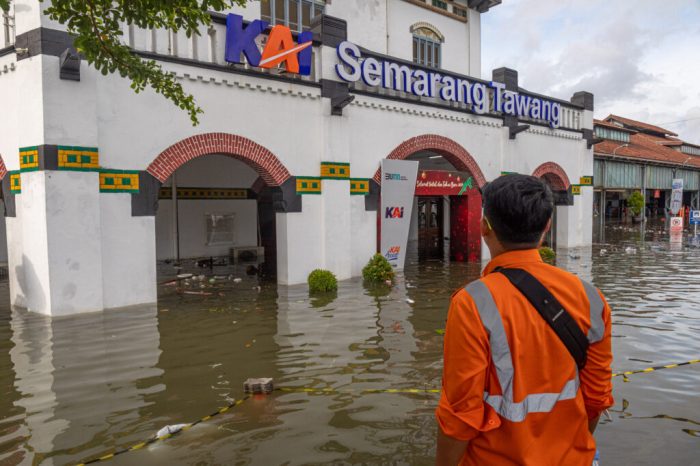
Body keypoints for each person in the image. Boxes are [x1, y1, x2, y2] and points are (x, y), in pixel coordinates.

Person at [435, 174, 614, 466]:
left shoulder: (472, 303)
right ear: (547, 226)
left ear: (484, 228)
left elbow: (460, 416)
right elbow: (597, 398)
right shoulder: (591, 299)